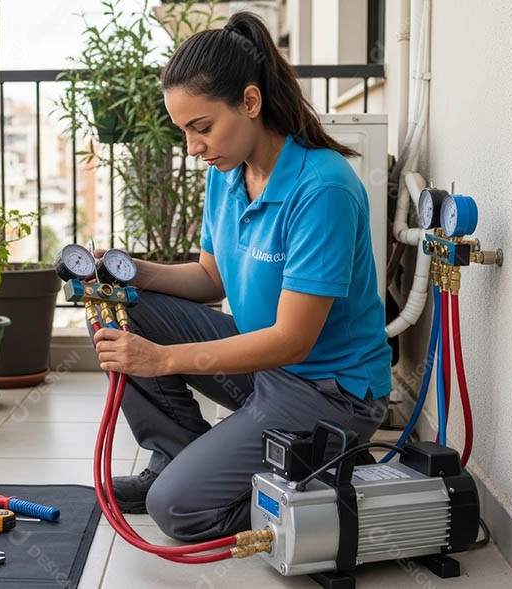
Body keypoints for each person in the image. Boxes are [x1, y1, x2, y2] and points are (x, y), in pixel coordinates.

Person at [91, 11, 392, 542]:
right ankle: (178, 457)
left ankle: (305, 484)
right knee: (123, 307)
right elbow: (211, 277)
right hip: (263, 365)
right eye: (184, 131)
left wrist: (161, 360)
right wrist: (133, 272)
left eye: (201, 128)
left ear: (250, 103)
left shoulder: (321, 189)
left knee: (177, 511)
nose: (193, 147)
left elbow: (293, 341)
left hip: (326, 390)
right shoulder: (228, 174)